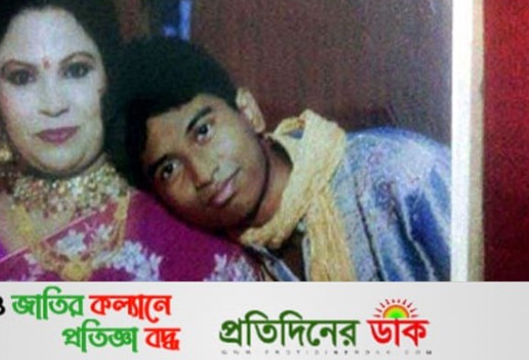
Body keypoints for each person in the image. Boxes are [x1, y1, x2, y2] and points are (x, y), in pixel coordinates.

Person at [0, 0, 262, 282]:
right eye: (22, 77)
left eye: (76, 70)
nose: (53, 104)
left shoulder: (194, 204)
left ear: (110, 78)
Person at [107, 37, 450, 281]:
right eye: (169, 169)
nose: (203, 174)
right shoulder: (223, 268)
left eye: (203, 131)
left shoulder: (401, 174)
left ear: (248, 112)